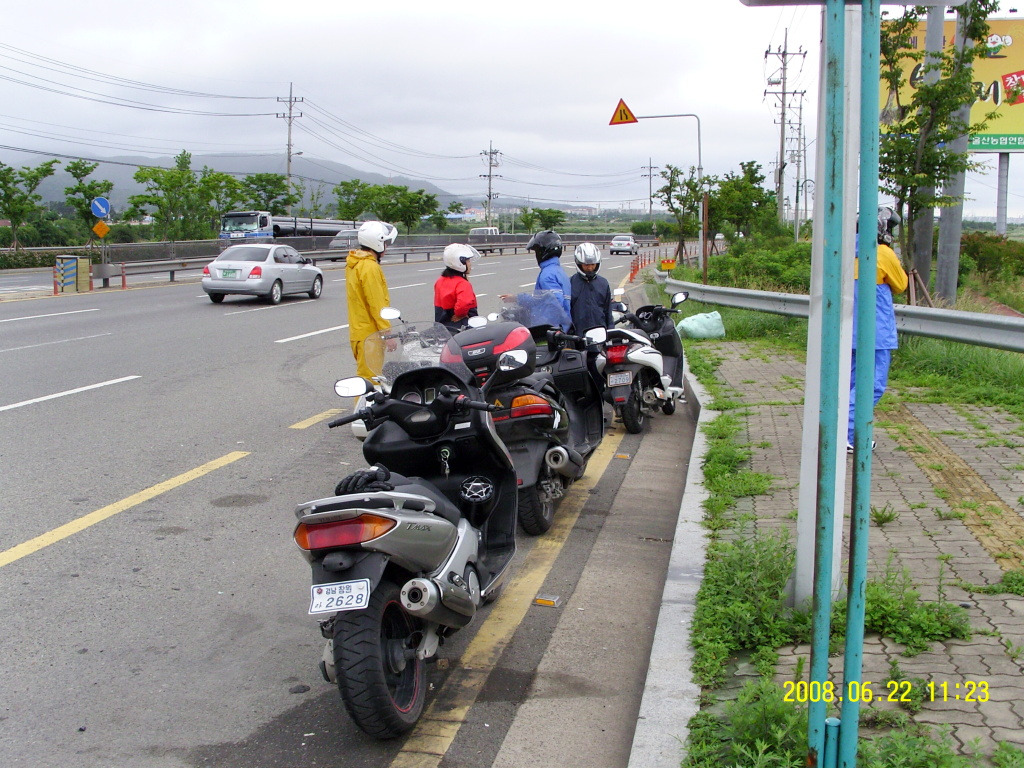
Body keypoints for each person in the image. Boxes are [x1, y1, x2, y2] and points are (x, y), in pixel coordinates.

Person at [848, 206, 908, 453]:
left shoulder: (844, 249)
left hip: (847, 331)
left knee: (849, 383)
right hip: (875, 332)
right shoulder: (882, 253)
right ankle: (849, 434)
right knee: (871, 385)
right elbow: (901, 285)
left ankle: (841, 431)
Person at [346, 220, 397, 379]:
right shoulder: (370, 267)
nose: (386, 247)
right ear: (377, 243)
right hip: (370, 334)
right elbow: (377, 304)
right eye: (384, 242)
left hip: (358, 332)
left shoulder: (354, 263)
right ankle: (363, 406)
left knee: (365, 376)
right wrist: (388, 334)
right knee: (371, 380)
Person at [500, 230, 572, 331]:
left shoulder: (547, 275)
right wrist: (517, 298)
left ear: (542, 251)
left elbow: (554, 302)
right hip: (563, 327)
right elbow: (542, 297)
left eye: (537, 251)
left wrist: (551, 329)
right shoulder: (559, 271)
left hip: (550, 329)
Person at [434, 243, 481, 331]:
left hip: (442, 324)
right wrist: (460, 314)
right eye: (468, 261)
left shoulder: (440, 280)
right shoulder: (462, 283)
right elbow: (463, 304)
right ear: (460, 262)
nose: (470, 264)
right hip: (461, 325)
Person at [569, 242, 613, 333]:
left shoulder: (603, 284)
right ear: (579, 264)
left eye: (593, 265)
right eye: (586, 265)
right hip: (578, 336)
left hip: (600, 333)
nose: (590, 268)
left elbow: (608, 312)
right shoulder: (570, 283)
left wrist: (611, 332)